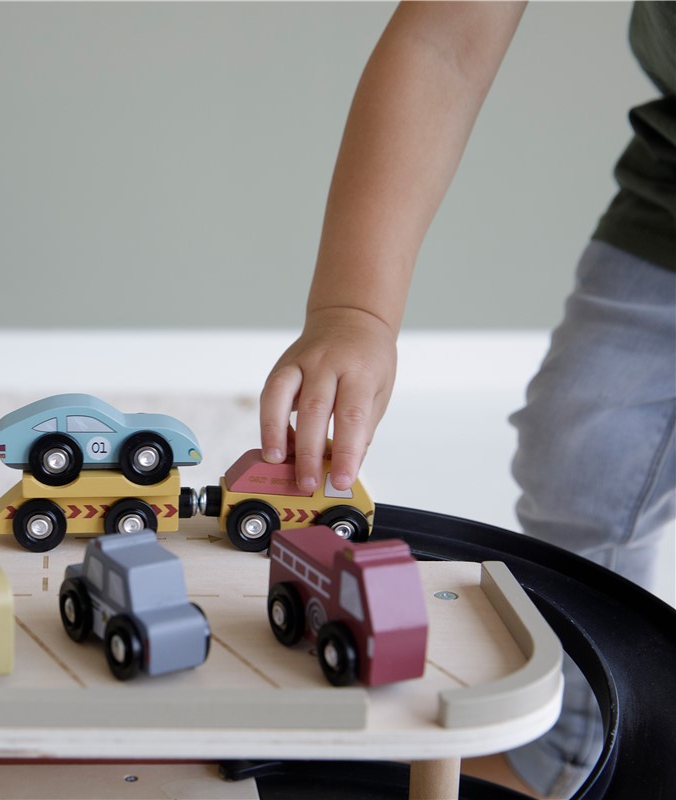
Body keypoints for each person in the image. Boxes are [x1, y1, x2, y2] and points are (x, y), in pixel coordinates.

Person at [259, 3, 675, 797]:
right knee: (582, 452)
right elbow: (443, 42)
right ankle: (567, 745)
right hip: (669, 208)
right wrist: (355, 309)